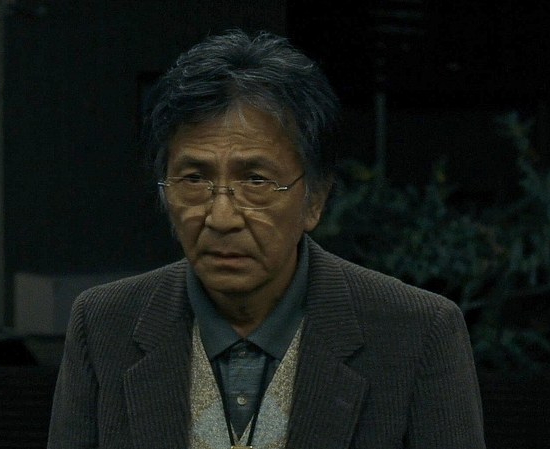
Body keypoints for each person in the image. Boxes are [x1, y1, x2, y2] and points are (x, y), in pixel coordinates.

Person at [47, 29, 485, 449]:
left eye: (255, 180)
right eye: (194, 178)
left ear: (315, 199)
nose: (221, 218)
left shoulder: (417, 333)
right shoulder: (105, 326)